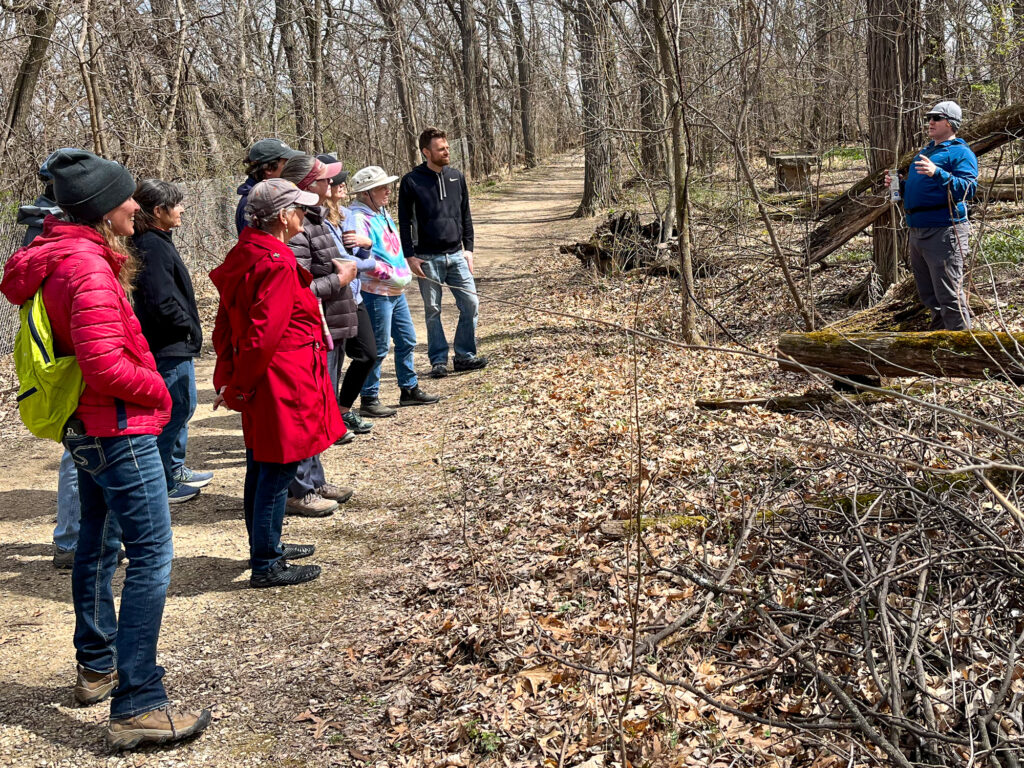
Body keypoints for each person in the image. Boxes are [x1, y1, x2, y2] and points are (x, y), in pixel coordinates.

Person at [0, 149, 210, 748]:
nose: (135, 206)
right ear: (99, 208)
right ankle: (138, 701)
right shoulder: (87, 268)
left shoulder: (65, 257)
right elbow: (103, 364)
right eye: (125, 199)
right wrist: (158, 397)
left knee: (97, 542)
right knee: (151, 556)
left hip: (90, 428)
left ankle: (98, 665)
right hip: (117, 428)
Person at [210, 178, 343, 587]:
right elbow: (260, 334)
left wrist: (231, 376)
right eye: (300, 209)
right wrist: (239, 384)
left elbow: (227, 324)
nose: (306, 214)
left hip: (272, 375)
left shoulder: (249, 251)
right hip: (281, 378)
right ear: (283, 217)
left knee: (261, 464)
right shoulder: (276, 262)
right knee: (277, 469)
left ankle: (265, 546)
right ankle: (267, 562)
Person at [278, 154, 357, 517]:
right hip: (311, 331)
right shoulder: (297, 228)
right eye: (325, 181)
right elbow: (298, 289)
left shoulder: (318, 218)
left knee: (320, 407)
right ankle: (299, 488)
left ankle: (316, 478)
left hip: (332, 326)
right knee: (306, 411)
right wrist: (339, 280)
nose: (332, 186)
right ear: (306, 185)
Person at [132, 179, 213, 503]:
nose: (181, 210)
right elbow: (159, 300)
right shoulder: (150, 246)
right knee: (174, 408)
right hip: (168, 343)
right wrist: (187, 328)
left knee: (184, 405)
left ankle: (174, 468)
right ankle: (163, 481)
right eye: (175, 205)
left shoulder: (159, 239)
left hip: (175, 341)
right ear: (157, 211)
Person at [348, 166, 440, 416]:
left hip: (395, 292)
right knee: (377, 347)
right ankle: (369, 397)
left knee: (407, 339)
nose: (388, 190)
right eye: (381, 187)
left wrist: (404, 268)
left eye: (387, 185)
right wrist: (390, 274)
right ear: (366, 192)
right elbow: (358, 258)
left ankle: (408, 389)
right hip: (375, 292)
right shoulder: (358, 218)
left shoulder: (381, 212)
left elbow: (390, 249)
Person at [398, 127, 487, 379]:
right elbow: (404, 222)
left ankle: (464, 355)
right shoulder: (411, 181)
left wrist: (468, 249)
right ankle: (438, 360)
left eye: (447, 147)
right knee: (433, 310)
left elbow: (466, 215)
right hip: (426, 258)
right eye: (441, 148)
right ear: (426, 152)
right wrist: (409, 256)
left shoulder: (456, 177)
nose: (446, 151)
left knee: (470, 303)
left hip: (456, 255)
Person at [887, 100, 978, 330]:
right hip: (917, 230)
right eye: (929, 118)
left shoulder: (960, 152)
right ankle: (939, 349)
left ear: (950, 123)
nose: (930, 122)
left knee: (949, 297)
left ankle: (964, 354)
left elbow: (968, 189)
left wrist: (938, 173)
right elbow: (925, 189)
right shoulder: (927, 151)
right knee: (929, 298)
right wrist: (901, 186)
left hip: (945, 231)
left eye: (936, 118)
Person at [318, 153, 383, 432]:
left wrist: (366, 245)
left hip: (353, 297)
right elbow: (343, 261)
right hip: (332, 299)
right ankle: (330, 421)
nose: (343, 185)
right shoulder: (318, 219)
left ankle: (343, 410)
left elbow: (354, 254)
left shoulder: (343, 215)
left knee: (369, 353)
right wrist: (369, 259)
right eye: (337, 181)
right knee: (332, 364)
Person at [235, 138, 302, 235]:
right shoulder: (253, 204)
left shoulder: (270, 196)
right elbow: (256, 247)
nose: (291, 168)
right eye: (285, 164)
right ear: (269, 169)